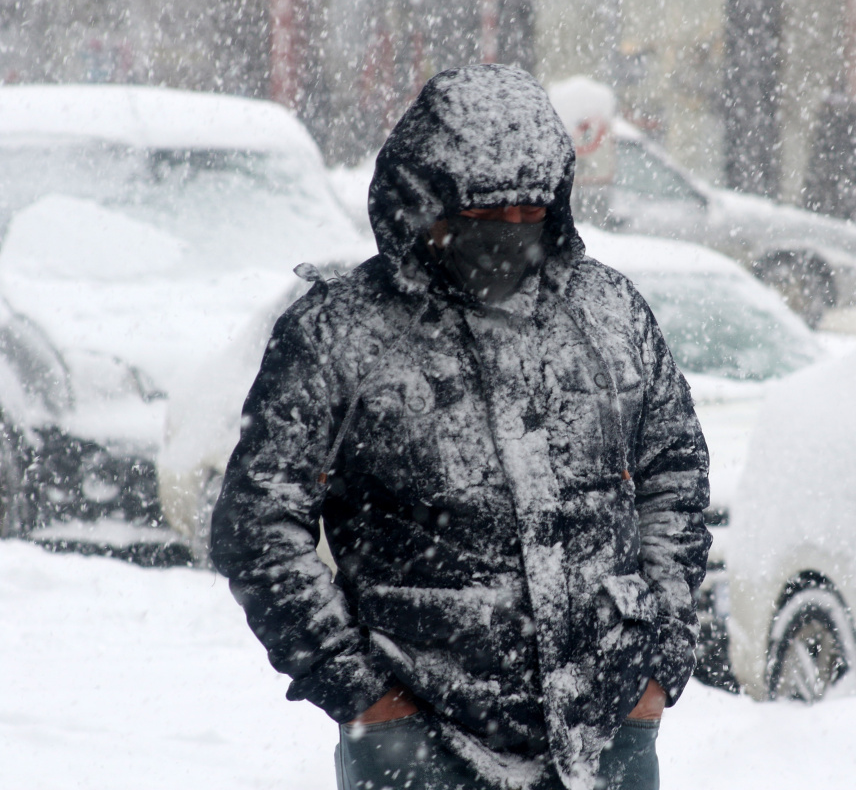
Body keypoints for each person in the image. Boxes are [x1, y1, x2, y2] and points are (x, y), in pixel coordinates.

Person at [209, 64, 710, 790]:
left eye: (528, 213)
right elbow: (257, 523)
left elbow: (674, 475)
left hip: (607, 731)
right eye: (484, 217)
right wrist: (363, 694)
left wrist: (657, 660)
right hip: (418, 741)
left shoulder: (608, 313)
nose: (510, 234)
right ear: (424, 201)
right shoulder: (341, 334)